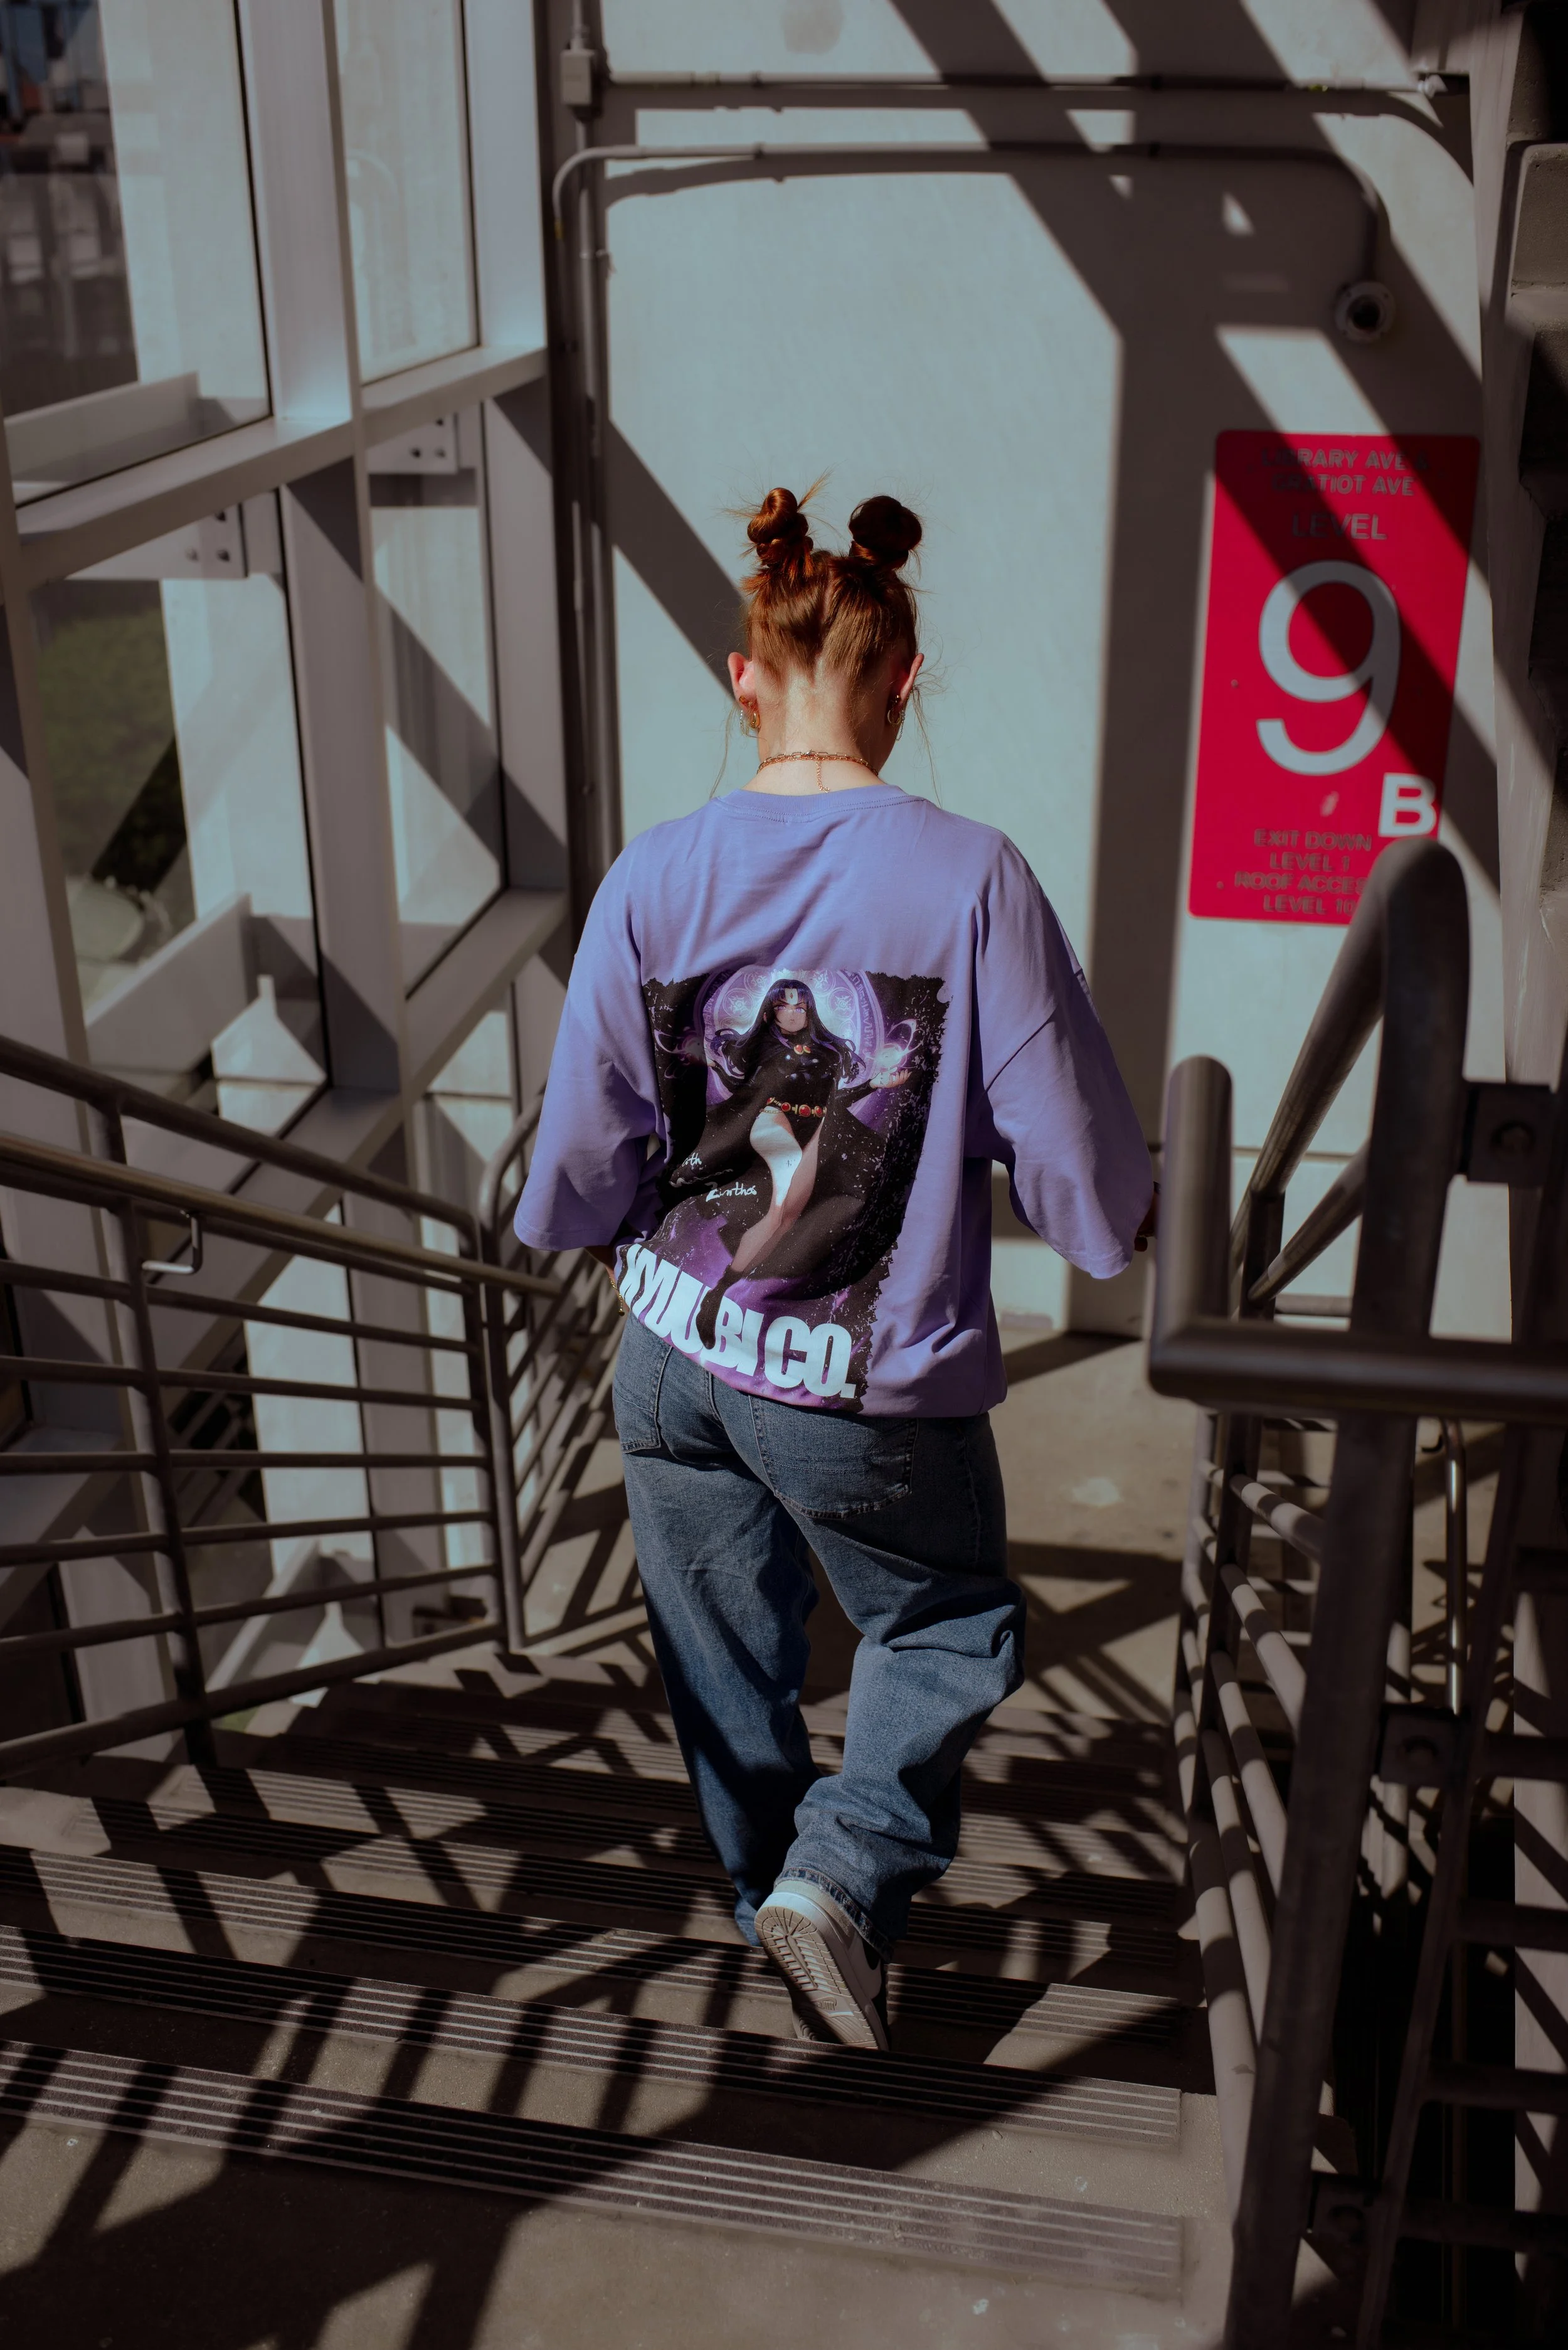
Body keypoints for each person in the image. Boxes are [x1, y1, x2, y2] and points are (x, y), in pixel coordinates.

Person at [515, 486, 1154, 2050]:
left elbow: (588, 1156)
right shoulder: (968, 877)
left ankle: (773, 1916)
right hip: (857, 1377)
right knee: (937, 1622)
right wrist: (1116, 1223)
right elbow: (1070, 1151)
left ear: (744, 679)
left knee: (721, 1659)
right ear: (901, 682)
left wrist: (600, 1227)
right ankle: (844, 1884)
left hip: (669, 1349)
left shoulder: (652, 874)